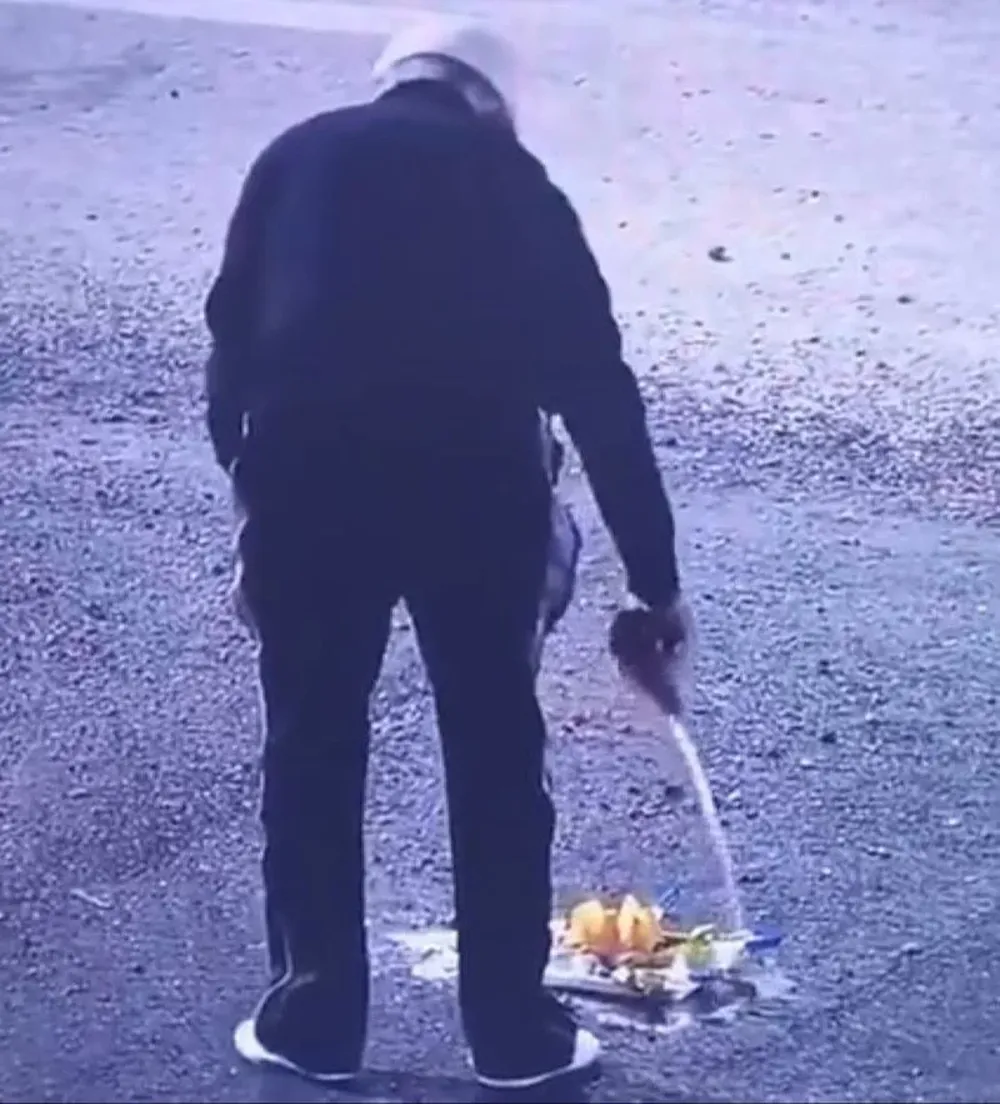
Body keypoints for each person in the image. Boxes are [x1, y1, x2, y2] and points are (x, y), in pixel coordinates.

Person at [203, 16, 692, 1091]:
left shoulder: (294, 155)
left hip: (308, 487)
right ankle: (512, 1035)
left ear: (396, 80)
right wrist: (650, 582)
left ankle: (313, 1020)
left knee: (312, 745)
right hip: (475, 496)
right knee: (494, 754)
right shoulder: (517, 186)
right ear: (493, 103)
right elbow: (602, 398)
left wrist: (253, 512)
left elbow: (229, 353)